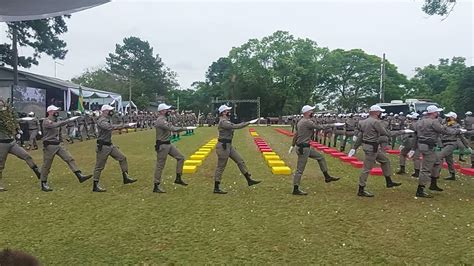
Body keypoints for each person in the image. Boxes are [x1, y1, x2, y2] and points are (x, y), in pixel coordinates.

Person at [349, 105, 402, 197]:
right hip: (372, 148)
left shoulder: (363, 122)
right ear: (377, 113)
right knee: (366, 169)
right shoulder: (376, 122)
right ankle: (361, 189)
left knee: (385, 161)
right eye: (380, 112)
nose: (381, 114)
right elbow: (387, 133)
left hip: (368, 146)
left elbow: (361, 136)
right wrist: (403, 132)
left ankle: (389, 181)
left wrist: (355, 147)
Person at [289, 105, 340, 195]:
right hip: (303, 148)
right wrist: (334, 125)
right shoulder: (307, 122)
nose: (313, 112)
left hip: (304, 147)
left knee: (320, 157)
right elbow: (320, 127)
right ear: (307, 112)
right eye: (312, 111)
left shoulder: (301, 121)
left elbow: (296, 134)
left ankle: (327, 176)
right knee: (300, 170)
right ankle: (295, 189)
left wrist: (292, 145)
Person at [412, 105, 462, 198]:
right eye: (437, 112)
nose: (438, 113)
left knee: (437, 162)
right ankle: (420, 189)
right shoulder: (433, 122)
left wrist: (413, 148)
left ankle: (433, 183)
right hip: (428, 146)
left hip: (422, 144)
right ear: (434, 113)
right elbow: (444, 130)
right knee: (426, 168)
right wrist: (457, 131)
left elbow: (415, 134)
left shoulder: (420, 122)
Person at [39, 105, 92, 192]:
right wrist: (67, 121)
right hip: (49, 145)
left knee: (69, 158)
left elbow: (59, 132)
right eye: (55, 110)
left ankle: (79, 175)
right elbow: (55, 125)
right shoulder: (46, 121)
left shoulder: (57, 120)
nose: (57, 112)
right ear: (50, 112)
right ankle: (43, 183)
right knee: (47, 165)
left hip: (58, 144)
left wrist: (62, 141)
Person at [213, 105, 261, 194]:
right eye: (227, 110)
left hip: (228, 146)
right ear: (223, 112)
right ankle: (216, 187)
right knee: (221, 167)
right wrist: (249, 122)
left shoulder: (226, 120)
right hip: (223, 147)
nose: (229, 112)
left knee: (240, 161)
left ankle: (249, 179)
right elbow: (236, 126)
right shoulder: (223, 122)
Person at [92, 105, 136, 192]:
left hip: (109, 145)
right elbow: (110, 127)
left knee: (122, 158)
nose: (112, 112)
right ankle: (95, 185)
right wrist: (126, 125)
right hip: (103, 146)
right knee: (99, 167)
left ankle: (125, 177)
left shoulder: (108, 119)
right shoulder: (101, 121)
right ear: (104, 111)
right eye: (110, 110)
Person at [0, 105, 41, 191]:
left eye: (2, 104)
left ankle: (38, 172)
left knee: (26, 156)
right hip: (2, 143)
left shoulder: (9, 116)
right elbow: (6, 122)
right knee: (1, 165)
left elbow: (13, 122)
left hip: (12, 142)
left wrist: (17, 129)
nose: (2, 107)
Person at [152, 103, 189, 193]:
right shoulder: (161, 120)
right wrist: (185, 128)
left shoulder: (165, 119)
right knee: (160, 165)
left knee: (180, 158)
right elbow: (173, 129)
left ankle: (178, 178)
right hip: (162, 145)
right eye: (166, 110)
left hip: (168, 144)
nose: (169, 111)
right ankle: (156, 185)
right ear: (161, 111)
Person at [438, 112, 470, 181]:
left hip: (451, 143)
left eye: (449, 117)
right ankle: (452, 175)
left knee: (439, 156)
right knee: (449, 160)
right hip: (445, 143)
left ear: (453, 118)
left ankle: (436, 173)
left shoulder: (457, 126)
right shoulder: (445, 124)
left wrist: (467, 146)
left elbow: (461, 136)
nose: (447, 118)